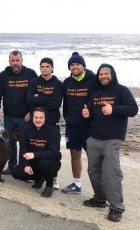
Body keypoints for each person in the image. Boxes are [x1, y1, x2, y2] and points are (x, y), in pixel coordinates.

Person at [82, 64, 138, 222]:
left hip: (112, 140)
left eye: (106, 73)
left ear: (112, 74)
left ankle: (116, 208)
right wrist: (88, 113)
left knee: (111, 174)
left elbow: (133, 109)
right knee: (93, 171)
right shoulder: (95, 92)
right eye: (101, 74)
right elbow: (92, 112)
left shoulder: (122, 90)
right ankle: (100, 199)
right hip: (93, 139)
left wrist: (114, 109)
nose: (103, 76)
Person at [61, 52, 98, 194]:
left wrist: (92, 114)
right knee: (75, 155)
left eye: (77, 64)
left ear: (83, 66)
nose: (75, 67)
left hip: (90, 126)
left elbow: (101, 98)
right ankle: (77, 185)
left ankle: (100, 191)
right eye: (72, 65)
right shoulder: (67, 82)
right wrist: (67, 118)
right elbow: (63, 102)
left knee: (94, 159)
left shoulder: (93, 79)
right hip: (72, 126)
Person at [0, 50, 38, 174]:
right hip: (9, 116)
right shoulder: (3, 75)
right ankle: (12, 166)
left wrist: (31, 112)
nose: (15, 63)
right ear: (9, 61)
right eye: (13, 61)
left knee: (24, 143)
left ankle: (23, 167)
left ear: (22, 60)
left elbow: (36, 95)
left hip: (25, 117)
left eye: (17, 60)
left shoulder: (31, 74)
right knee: (10, 142)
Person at [12, 107, 62, 198]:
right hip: (33, 161)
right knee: (16, 173)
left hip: (51, 161)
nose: (38, 120)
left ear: (45, 118)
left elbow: (54, 152)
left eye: (41, 118)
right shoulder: (27, 128)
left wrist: (34, 154)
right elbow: (24, 147)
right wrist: (26, 165)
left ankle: (49, 185)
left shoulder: (53, 131)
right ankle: (39, 178)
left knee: (44, 164)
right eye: (36, 117)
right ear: (32, 118)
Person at [27, 57, 63, 127]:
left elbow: (56, 104)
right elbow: (30, 100)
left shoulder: (58, 84)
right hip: (36, 120)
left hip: (52, 120)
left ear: (52, 68)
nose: (44, 68)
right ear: (40, 68)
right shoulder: (33, 82)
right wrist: (48, 99)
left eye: (47, 66)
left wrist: (38, 98)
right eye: (42, 66)